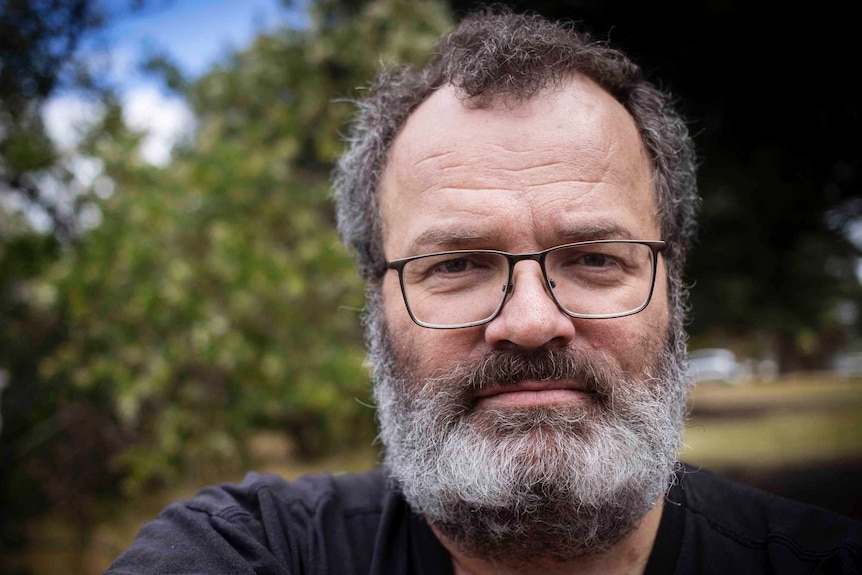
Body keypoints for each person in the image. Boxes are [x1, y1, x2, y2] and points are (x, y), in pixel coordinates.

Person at [106, 10, 862, 575]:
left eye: (596, 258)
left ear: (673, 285)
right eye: (458, 265)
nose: (532, 322)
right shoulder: (249, 552)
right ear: (378, 305)